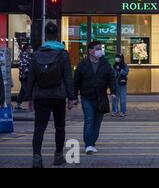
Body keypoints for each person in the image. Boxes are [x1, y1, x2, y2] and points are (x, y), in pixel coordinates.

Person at [24, 22, 77, 168]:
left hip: (41, 96)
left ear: (45, 36)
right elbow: (67, 77)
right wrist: (71, 97)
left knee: (39, 128)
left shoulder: (36, 54)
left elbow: (31, 78)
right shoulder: (62, 54)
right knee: (60, 127)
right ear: (57, 36)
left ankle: (37, 158)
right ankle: (58, 156)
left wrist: (29, 97)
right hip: (58, 96)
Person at [74, 41, 116, 155]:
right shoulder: (83, 65)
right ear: (90, 51)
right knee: (89, 120)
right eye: (98, 49)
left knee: (97, 122)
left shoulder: (105, 64)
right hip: (87, 97)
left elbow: (111, 78)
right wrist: (73, 97)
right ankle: (88, 145)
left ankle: (92, 142)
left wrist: (113, 92)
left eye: (100, 48)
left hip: (101, 97)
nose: (100, 51)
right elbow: (76, 81)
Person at [16, 43, 33, 110]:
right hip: (24, 77)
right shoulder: (24, 55)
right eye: (29, 48)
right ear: (26, 49)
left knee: (22, 90)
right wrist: (29, 71)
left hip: (25, 76)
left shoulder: (29, 55)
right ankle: (30, 105)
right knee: (27, 91)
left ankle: (18, 104)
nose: (31, 49)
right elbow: (23, 66)